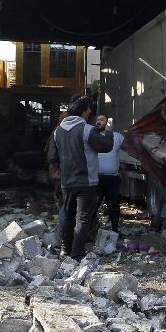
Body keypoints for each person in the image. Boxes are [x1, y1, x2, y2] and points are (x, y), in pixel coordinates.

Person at [48, 97, 116, 259]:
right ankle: (77, 255)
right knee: (83, 220)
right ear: (84, 110)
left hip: (66, 183)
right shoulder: (86, 130)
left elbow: (53, 157)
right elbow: (106, 145)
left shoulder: (58, 131)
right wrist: (109, 131)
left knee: (67, 215)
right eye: (89, 110)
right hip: (87, 183)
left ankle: (66, 249)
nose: (90, 113)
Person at [95, 114, 125, 233]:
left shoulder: (117, 137)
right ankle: (91, 229)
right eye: (97, 120)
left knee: (113, 205)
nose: (98, 122)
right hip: (96, 178)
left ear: (108, 123)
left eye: (101, 120)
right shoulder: (93, 136)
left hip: (112, 179)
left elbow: (129, 147)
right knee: (93, 205)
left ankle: (114, 230)